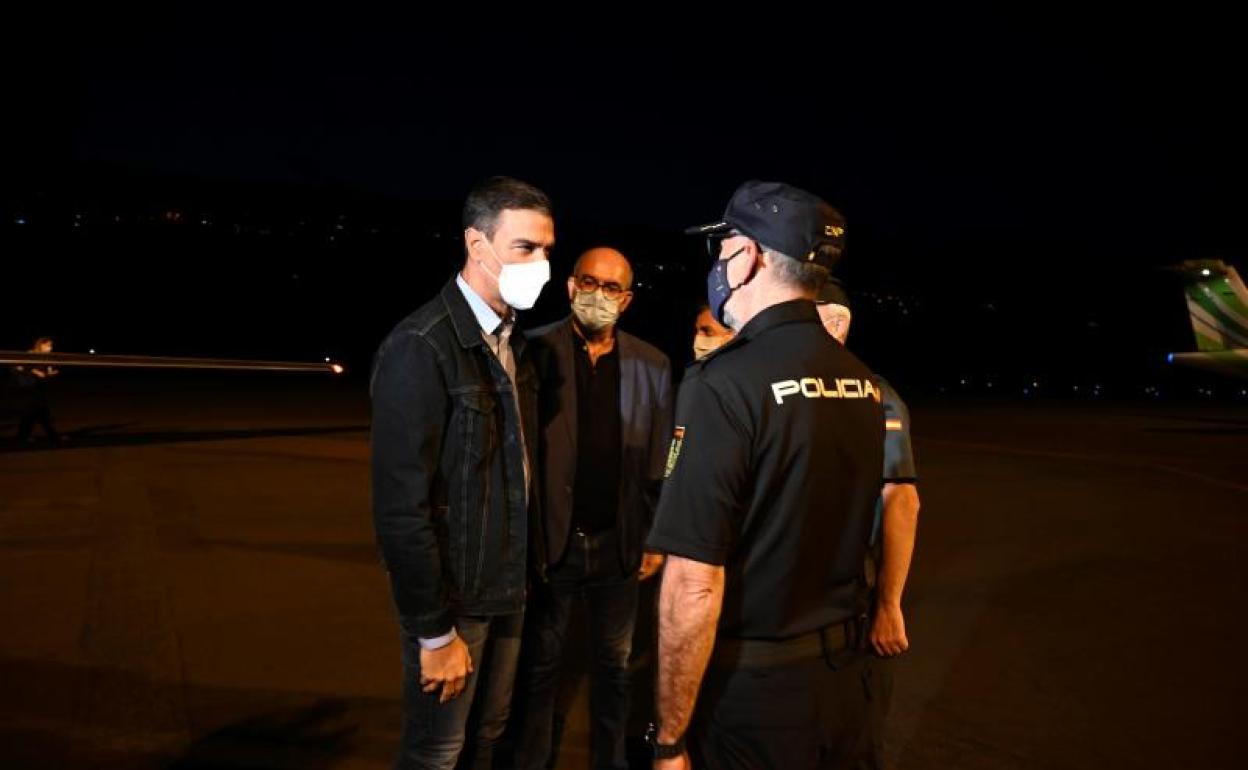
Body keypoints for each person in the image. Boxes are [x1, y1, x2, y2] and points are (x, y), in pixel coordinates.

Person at [645, 180, 885, 769]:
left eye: (722, 247)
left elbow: (694, 583)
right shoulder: (860, 382)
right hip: (844, 683)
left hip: (757, 696)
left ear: (748, 255)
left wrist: (670, 739)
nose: (717, 263)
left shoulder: (724, 383)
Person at [371, 176, 555, 770]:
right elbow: (401, 508)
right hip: (457, 602)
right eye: (525, 247)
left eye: (547, 249)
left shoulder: (513, 344)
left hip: (509, 587)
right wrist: (433, 631)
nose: (541, 264)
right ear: (478, 245)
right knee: (437, 750)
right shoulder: (422, 346)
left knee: (488, 734)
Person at [517, 246, 673, 770]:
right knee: (541, 666)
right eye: (589, 282)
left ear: (626, 300)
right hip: (553, 543)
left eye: (611, 288)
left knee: (614, 667)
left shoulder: (652, 364)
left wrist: (654, 537)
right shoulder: (533, 352)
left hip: (618, 542)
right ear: (570, 287)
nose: (598, 295)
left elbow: (660, 462)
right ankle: (530, 760)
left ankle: (612, 761)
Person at [816, 279, 921, 769]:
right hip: (789, 601)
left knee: (852, 737)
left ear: (839, 325)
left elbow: (901, 499)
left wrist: (889, 604)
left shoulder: (875, 395)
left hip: (850, 594)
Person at [13, 337, 62, 444]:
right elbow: (19, 366)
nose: (50, 348)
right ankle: (51, 436)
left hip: (38, 385)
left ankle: (25, 436)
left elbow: (48, 370)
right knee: (36, 410)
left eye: (51, 346)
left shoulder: (47, 356)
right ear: (41, 345)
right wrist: (35, 372)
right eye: (48, 345)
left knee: (37, 411)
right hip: (29, 385)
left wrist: (50, 373)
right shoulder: (31, 353)